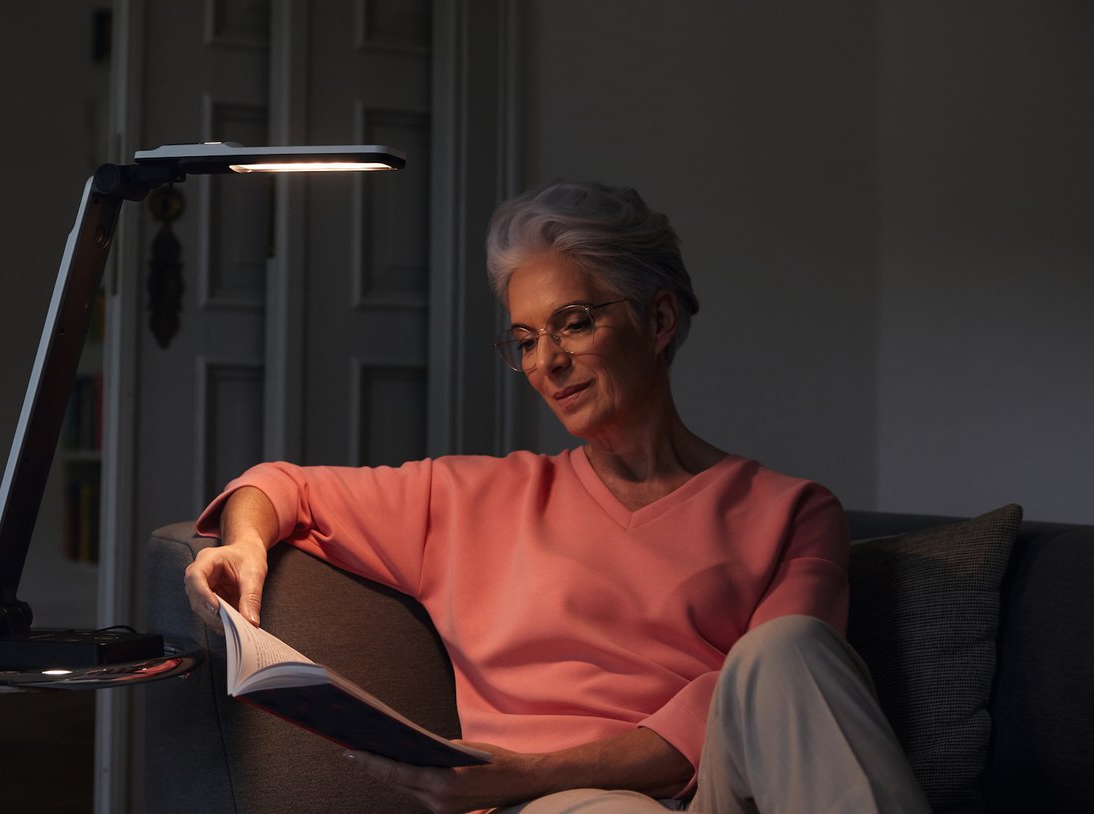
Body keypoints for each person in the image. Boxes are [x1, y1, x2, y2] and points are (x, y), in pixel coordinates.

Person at [184, 182, 929, 813]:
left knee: (787, 648)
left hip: (708, 792)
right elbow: (283, 484)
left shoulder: (793, 513)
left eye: (574, 323)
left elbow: (777, 704)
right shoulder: (470, 498)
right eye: (527, 339)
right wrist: (245, 542)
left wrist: (524, 770)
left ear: (659, 320)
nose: (550, 362)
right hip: (550, 809)